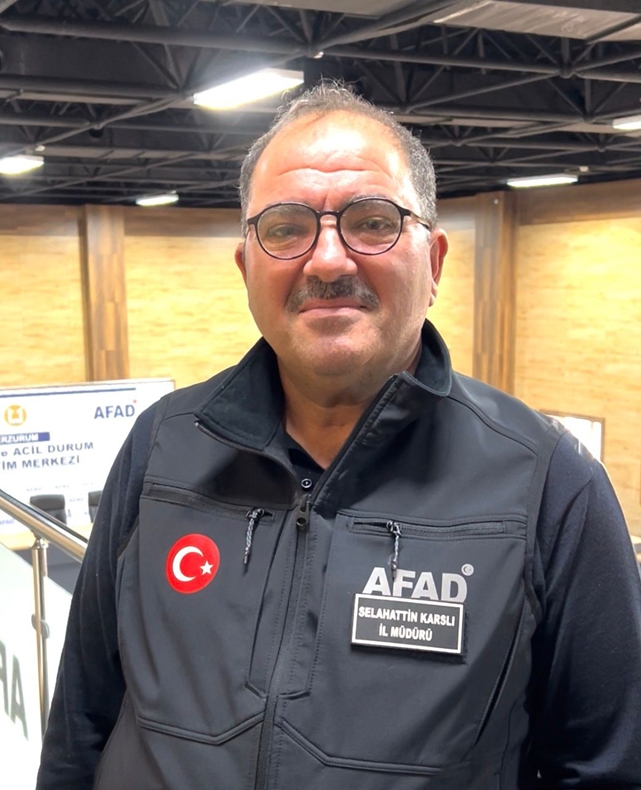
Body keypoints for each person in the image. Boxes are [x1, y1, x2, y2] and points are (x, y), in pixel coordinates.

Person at [37, 83, 641, 790]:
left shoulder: (550, 486)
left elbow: (606, 771)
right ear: (247, 267)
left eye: (372, 221)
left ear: (434, 263)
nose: (327, 261)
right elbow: (81, 724)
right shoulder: (161, 445)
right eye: (285, 228)